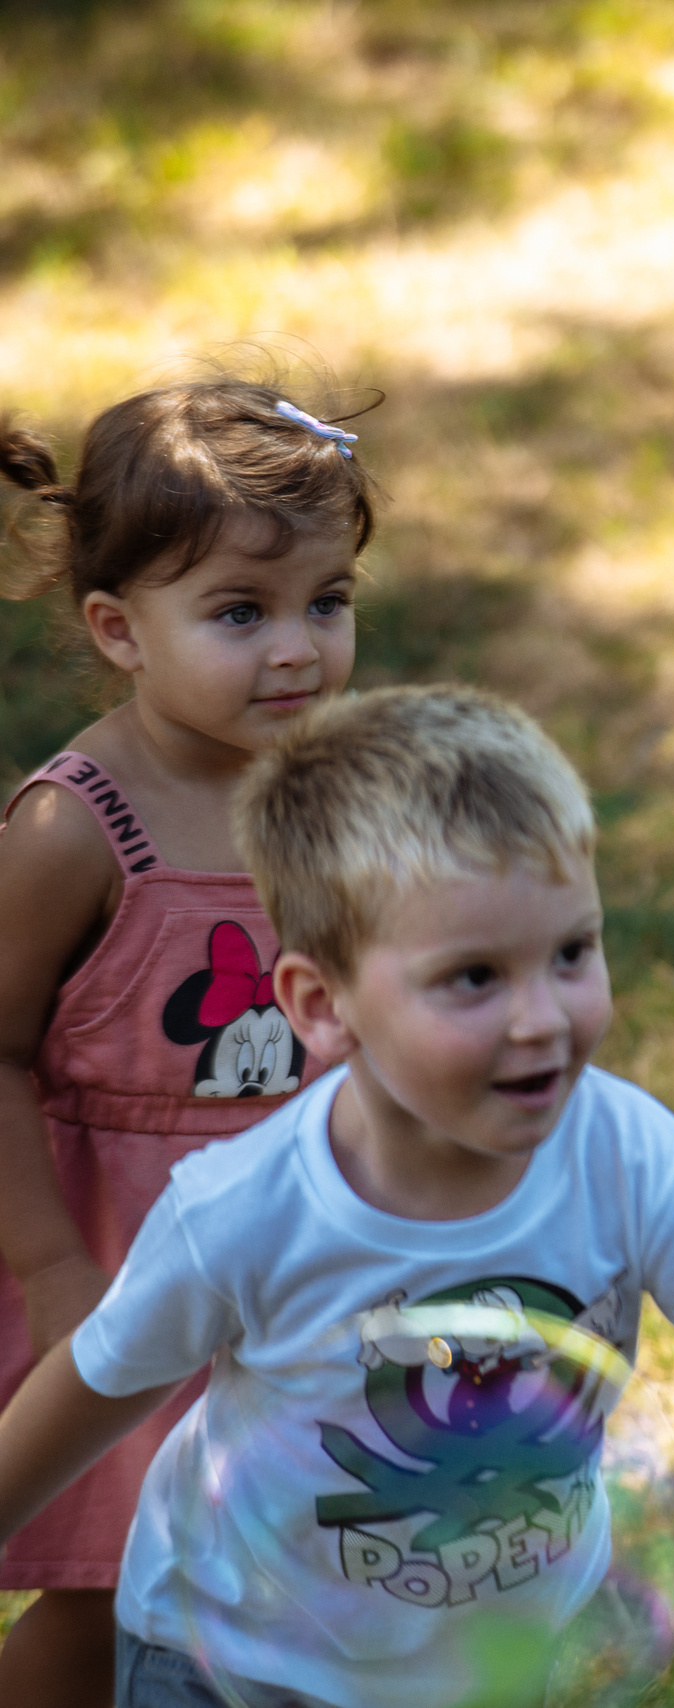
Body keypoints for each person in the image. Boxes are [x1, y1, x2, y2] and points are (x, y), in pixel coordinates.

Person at [0, 685, 674, 1708]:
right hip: (233, 1665)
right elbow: (96, 1383)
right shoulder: (244, 1209)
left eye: (571, 953)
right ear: (322, 1005)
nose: (541, 1019)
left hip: (505, 1667)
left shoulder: (629, 1156)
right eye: (474, 978)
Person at [0, 379, 373, 1705]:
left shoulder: (342, 794)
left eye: (325, 602)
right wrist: (49, 1268)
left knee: (301, 1551)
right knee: (112, 1575)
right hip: (125, 1259)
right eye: (238, 613)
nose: (296, 648)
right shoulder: (75, 828)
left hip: (301, 1249)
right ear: (120, 630)